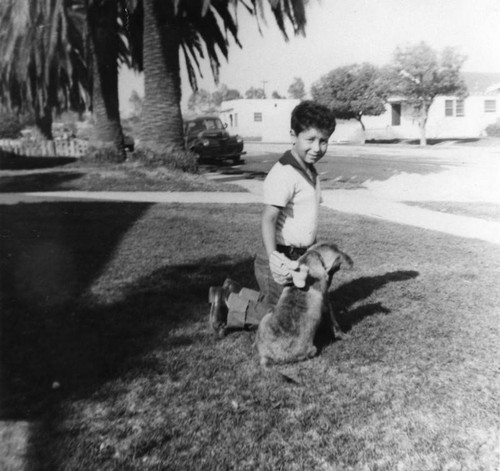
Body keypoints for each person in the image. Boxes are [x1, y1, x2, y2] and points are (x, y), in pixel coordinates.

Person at [209, 100, 336, 337]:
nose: (317, 148)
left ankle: (235, 291)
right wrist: (274, 258)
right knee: (283, 321)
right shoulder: (284, 173)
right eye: (310, 140)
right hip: (279, 256)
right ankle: (226, 302)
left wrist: (314, 252)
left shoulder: (310, 170)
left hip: (299, 257)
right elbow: (268, 218)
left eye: (323, 140)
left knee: (292, 306)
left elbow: (307, 218)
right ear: (293, 136)